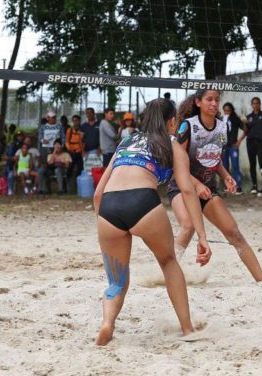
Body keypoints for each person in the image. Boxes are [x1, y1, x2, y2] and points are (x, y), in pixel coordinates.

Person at [93, 98, 212, 346]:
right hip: (142, 202)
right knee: (169, 262)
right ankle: (187, 329)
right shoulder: (172, 144)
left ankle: (107, 323)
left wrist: (103, 223)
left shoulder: (125, 141)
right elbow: (187, 190)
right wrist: (201, 235)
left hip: (109, 207)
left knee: (117, 281)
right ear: (172, 122)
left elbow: (97, 193)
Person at [169, 89, 262, 282]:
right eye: (209, 100)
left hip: (207, 189)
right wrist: (196, 184)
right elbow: (176, 162)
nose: (214, 104)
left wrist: (226, 175)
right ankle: (165, 274)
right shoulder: (188, 126)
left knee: (234, 233)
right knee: (188, 226)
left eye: (217, 100)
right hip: (182, 186)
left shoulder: (222, 127)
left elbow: (215, 158)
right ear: (198, 102)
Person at [243, 97, 262, 197]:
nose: (255, 105)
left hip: (260, 143)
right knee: (252, 164)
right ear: (252, 105)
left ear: (260, 104)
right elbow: (246, 131)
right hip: (250, 142)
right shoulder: (249, 117)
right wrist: (243, 124)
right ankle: (254, 186)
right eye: (254, 104)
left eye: (257, 103)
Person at [37, 111, 65, 193]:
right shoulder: (43, 127)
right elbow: (40, 137)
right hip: (46, 149)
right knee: (42, 169)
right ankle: (42, 189)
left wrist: (60, 146)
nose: (54, 119)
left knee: (57, 168)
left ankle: (61, 189)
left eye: (54, 117)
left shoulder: (59, 126)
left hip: (56, 150)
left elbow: (63, 137)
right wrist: (43, 140)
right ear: (48, 118)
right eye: (52, 117)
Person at [221, 102, 243, 195]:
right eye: (225, 111)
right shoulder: (222, 120)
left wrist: (239, 141)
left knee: (235, 166)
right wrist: (221, 143)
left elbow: (246, 129)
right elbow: (220, 132)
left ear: (231, 110)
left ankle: (238, 187)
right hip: (225, 147)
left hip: (233, 146)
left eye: (228, 110)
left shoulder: (235, 119)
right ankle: (228, 186)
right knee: (225, 167)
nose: (227, 112)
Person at [65, 115, 85, 183]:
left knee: (80, 169)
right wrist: (70, 150)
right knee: (69, 169)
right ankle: (67, 185)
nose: (75, 122)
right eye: (74, 121)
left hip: (80, 152)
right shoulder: (69, 130)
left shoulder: (82, 130)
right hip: (72, 152)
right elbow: (67, 142)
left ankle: (79, 184)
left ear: (79, 121)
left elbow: (84, 141)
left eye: (76, 120)